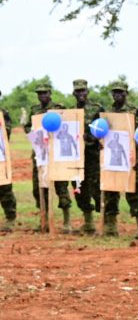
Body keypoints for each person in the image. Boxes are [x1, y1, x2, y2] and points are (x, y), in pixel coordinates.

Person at [24, 83, 73, 233]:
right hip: (40, 155)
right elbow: (28, 128)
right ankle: (43, 220)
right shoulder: (35, 110)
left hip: (57, 155)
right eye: (39, 93)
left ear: (50, 93)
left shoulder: (59, 109)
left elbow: (69, 125)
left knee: (61, 188)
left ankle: (67, 222)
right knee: (39, 188)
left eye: (44, 93)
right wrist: (34, 136)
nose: (42, 96)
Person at [103, 81, 138, 239]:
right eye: (115, 92)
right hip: (112, 159)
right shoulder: (107, 113)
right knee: (111, 193)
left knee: (133, 193)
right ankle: (111, 226)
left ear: (126, 93)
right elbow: (103, 135)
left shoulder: (134, 111)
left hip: (129, 158)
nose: (117, 95)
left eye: (120, 92)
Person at [72, 79, 104, 234]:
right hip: (76, 157)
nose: (81, 94)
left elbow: (104, 130)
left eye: (83, 90)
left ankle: (106, 222)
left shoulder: (96, 109)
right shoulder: (70, 113)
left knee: (97, 188)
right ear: (74, 93)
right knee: (79, 188)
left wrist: (90, 138)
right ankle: (89, 222)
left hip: (93, 156)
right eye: (78, 91)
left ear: (87, 91)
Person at [0, 91, 17, 232]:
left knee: (5, 189)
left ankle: (10, 218)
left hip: (1, 157)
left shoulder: (3, 114)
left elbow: (6, 134)